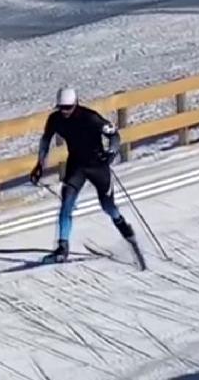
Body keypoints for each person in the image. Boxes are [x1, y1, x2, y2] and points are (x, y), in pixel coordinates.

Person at [29, 87, 136, 263]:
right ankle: (63, 246)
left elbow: (114, 135)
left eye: (68, 108)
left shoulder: (90, 118)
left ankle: (122, 224)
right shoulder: (55, 119)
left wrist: (111, 153)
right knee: (66, 204)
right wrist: (40, 164)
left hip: (97, 167)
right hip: (76, 166)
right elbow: (45, 140)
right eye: (62, 108)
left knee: (108, 206)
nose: (65, 112)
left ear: (76, 104)